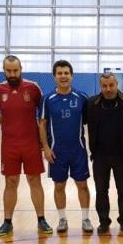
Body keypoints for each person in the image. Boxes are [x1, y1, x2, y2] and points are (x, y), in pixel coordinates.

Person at [0, 55, 52, 235]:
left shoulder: (33, 88)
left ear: (21, 69)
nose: (12, 74)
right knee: (10, 182)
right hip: (9, 145)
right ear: (4, 70)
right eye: (9, 71)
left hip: (31, 144)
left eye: (15, 70)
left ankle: (41, 219)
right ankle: (7, 221)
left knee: (34, 180)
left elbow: (43, 114)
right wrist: (7, 124)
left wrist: (43, 141)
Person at [38, 60, 93, 234]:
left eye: (66, 73)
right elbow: (42, 124)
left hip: (78, 150)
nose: (63, 76)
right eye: (59, 73)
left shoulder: (82, 97)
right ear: (54, 76)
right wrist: (46, 148)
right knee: (59, 186)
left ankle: (85, 219)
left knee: (82, 185)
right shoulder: (47, 99)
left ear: (72, 76)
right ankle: (62, 219)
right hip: (57, 152)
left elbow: (89, 122)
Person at [86, 73, 123, 235]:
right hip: (100, 156)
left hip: (122, 156)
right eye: (104, 86)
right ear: (100, 86)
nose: (108, 89)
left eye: (111, 85)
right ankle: (103, 222)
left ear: (117, 84)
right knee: (101, 191)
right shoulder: (91, 103)